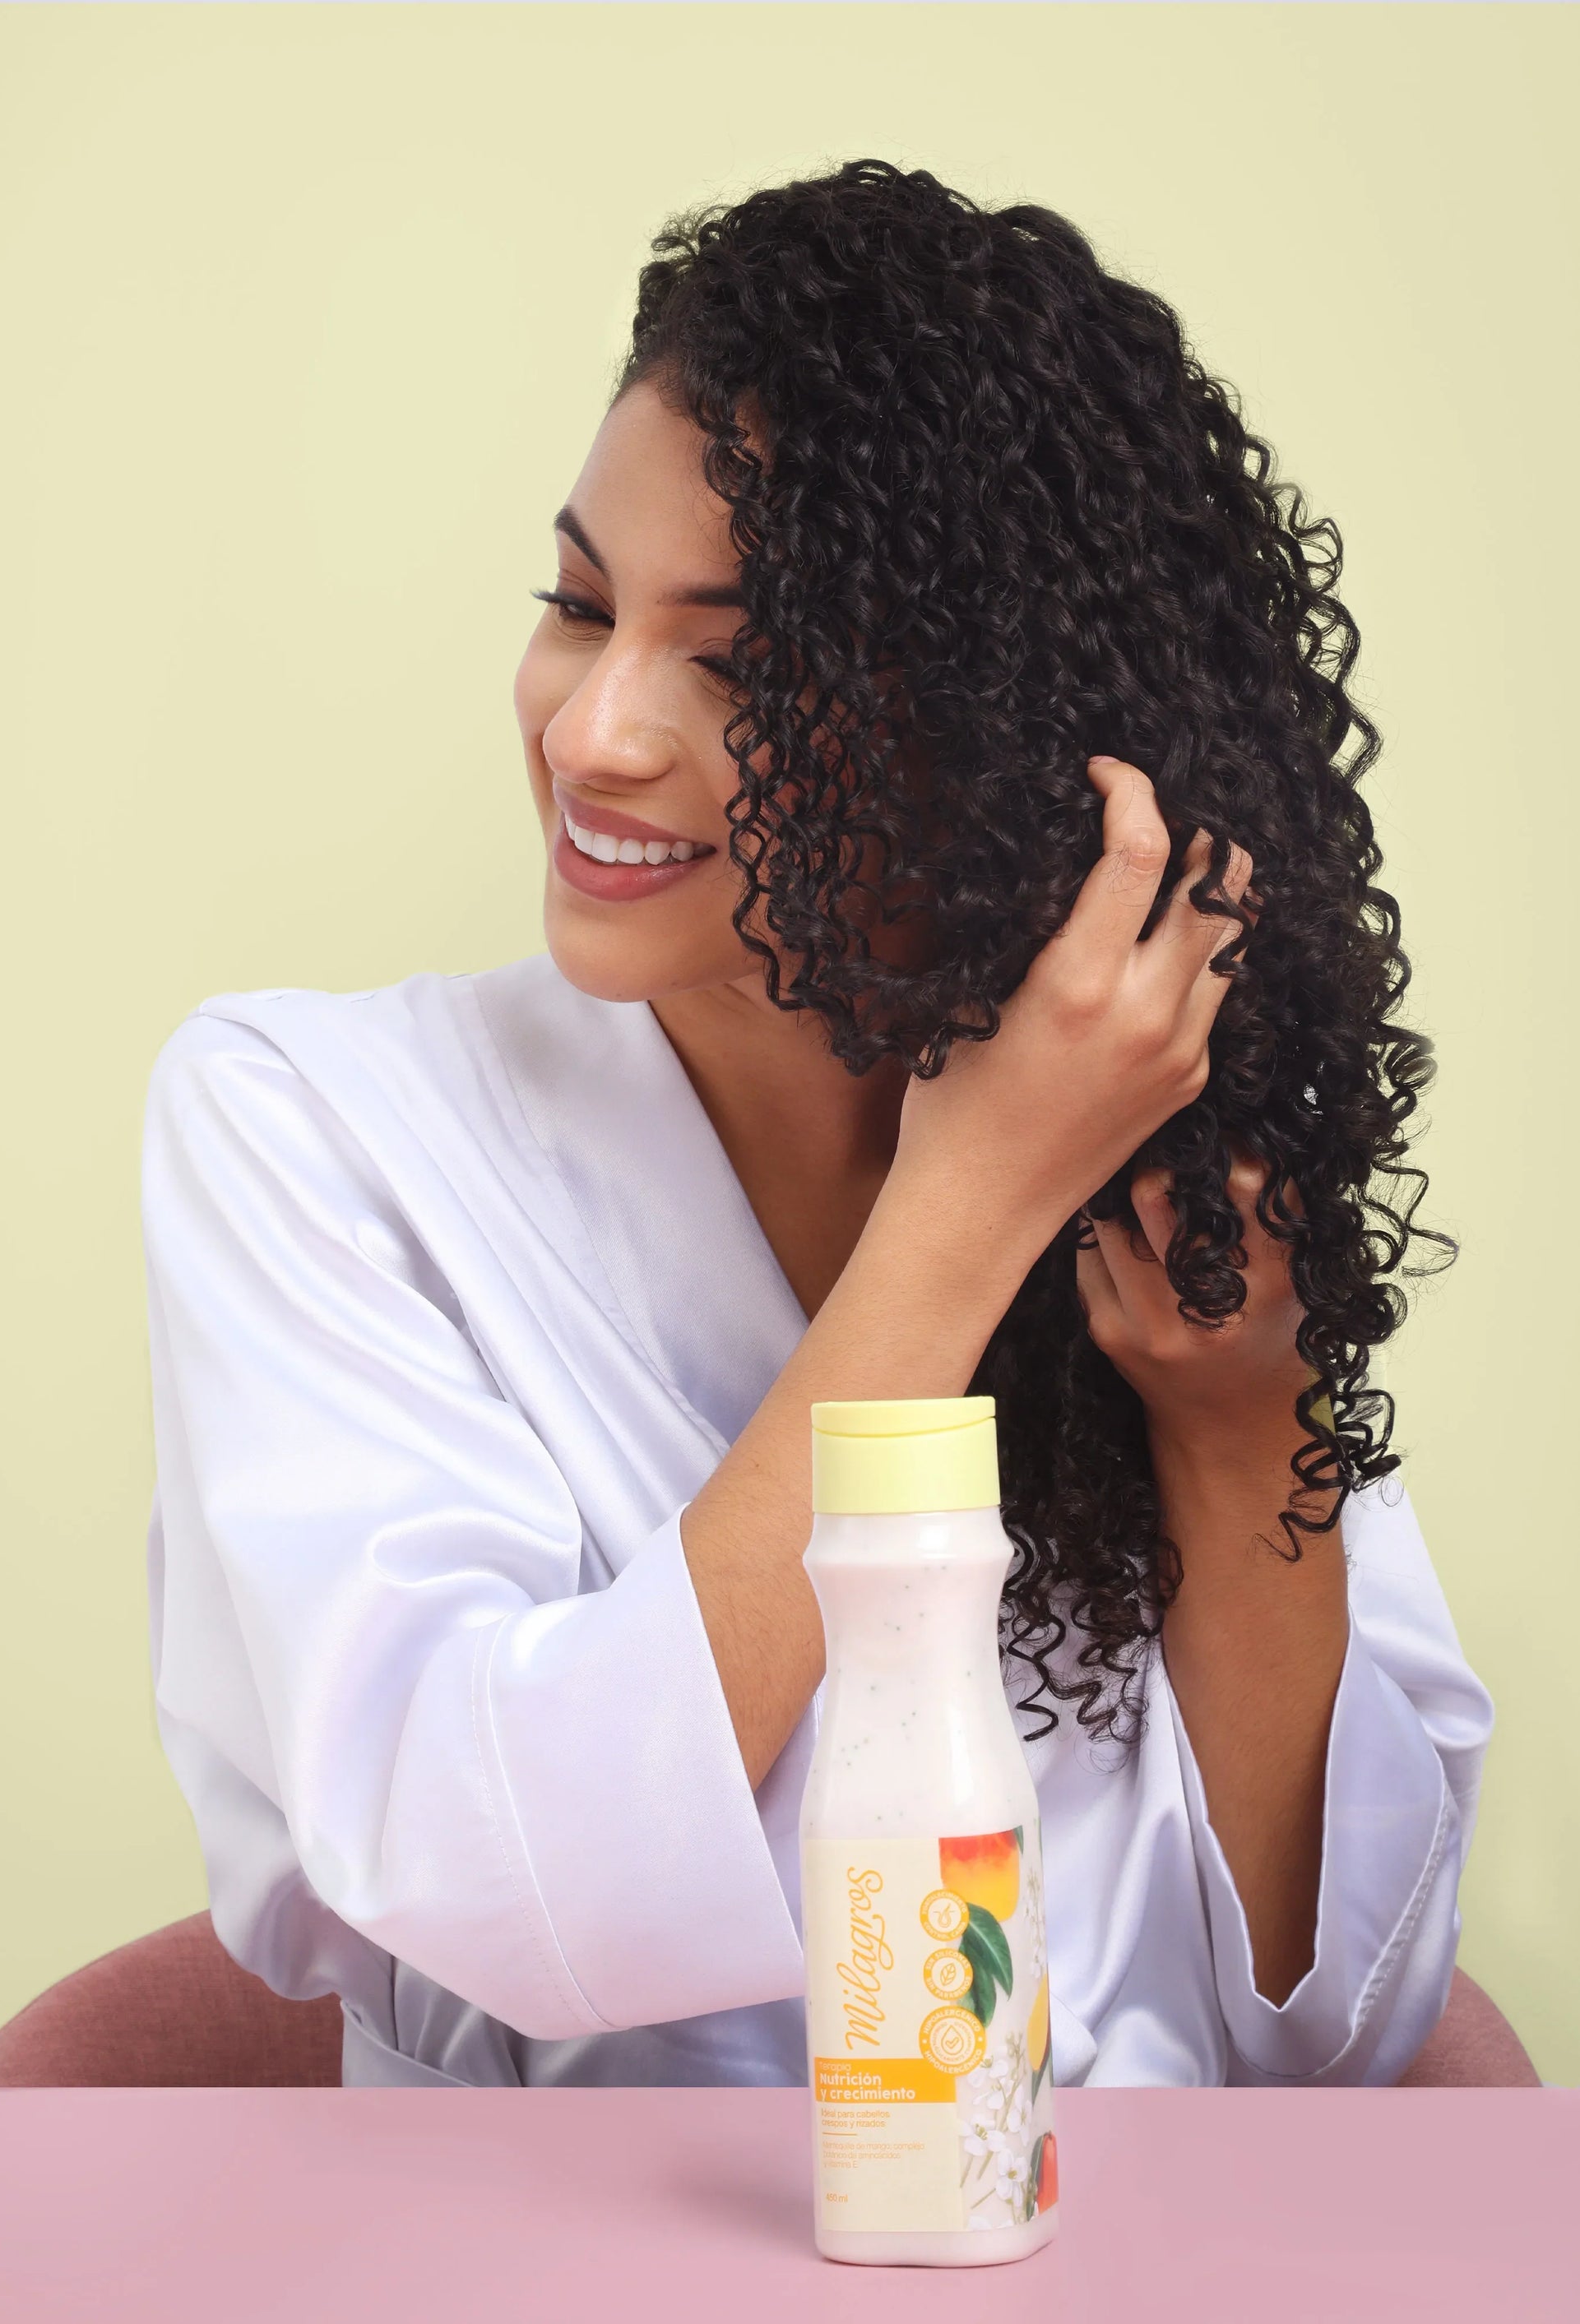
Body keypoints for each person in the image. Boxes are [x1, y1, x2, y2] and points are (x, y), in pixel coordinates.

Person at [140, 160, 1492, 2090]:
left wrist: (1235, 1428)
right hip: (548, 2240)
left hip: (1138, 2236)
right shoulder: (317, 1131)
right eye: (579, 606)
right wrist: (970, 1202)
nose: (594, 732)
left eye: (741, 663)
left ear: (1000, 730)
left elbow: (1333, 2035)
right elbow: (505, 1889)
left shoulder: (1163, 1168)